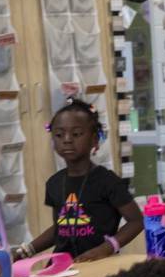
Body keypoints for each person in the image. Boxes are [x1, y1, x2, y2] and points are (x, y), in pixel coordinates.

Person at [14, 98, 143, 263]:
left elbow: (136, 221)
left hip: (98, 264)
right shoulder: (54, 183)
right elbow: (62, 228)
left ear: (94, 139)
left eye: (76, 134)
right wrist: (27, 250)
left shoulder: (108, 181)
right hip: (61, 267)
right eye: (59, 134)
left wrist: (107, 248)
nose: (67, 139)